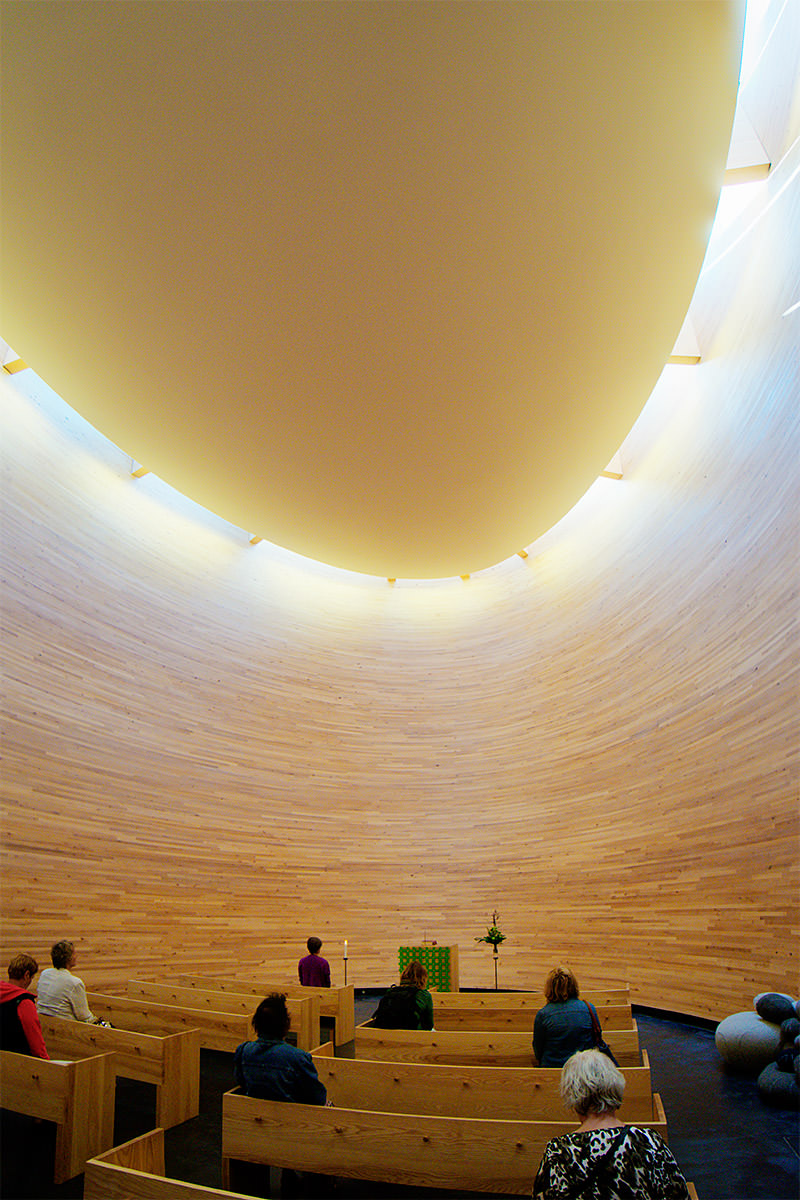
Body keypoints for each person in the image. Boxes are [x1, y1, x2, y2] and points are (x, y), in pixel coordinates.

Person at [532, 1049, 690, 1199]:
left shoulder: (558, 1151)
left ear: (571, 1094)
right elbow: (679, 1194)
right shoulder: (649, 1142)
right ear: (615, 1085)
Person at [235, 992, 328, 1104]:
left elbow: (241, 1083)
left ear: (256, 1023)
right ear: (285, 1024)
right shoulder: (298, 1058)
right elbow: (317, 1097)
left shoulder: (243, 1051)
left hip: (254, 1114)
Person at [533, 966, 598, 1067]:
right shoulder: (589, 1008)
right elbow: (595, 1040)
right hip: (583, 1069)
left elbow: (538, 1049)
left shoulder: (543, 1015)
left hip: (552, 1068)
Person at [0, 953, 51, 1058]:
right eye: (32, 977)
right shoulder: (24, 1002)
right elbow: (35, 1040)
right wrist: (46, 1061)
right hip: (17, 1062)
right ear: (26, 975)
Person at [36, 939, 98, 1022]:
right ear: (69, 958)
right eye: (74, 954)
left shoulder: (45, 974)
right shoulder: (74, 983)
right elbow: (84, 1016)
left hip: (42, 1022)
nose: (76, 956)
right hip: (65, 1027)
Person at [372, 960, 434, 1030]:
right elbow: (428, 1025)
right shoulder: (424, 995)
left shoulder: (390, 992)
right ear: (423, 978)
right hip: (410, 1035)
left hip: (384, 1035)